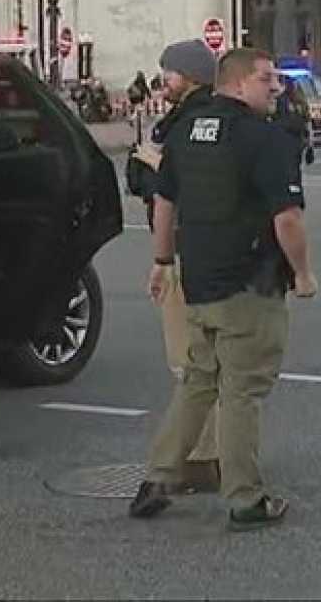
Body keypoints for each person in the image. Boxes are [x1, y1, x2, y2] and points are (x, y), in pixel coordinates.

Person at [130, 48, 318, 532]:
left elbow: (164, 198)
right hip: (249, 283)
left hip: (200, 280)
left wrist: (161, 259)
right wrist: (302, 273)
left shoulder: (187, 130)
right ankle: (245, 498)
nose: (275, 86)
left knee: (198, 381)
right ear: (235, 84)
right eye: (265, 78)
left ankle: (158, 477)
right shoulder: (264, 137)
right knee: (242, 391)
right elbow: (288, 218)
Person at [129, 40, 223, 489]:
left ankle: (202, 457)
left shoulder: (184, 124)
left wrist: (148, 165)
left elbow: (159, 182)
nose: (162, 80)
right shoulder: (202, 117)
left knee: (188, 357)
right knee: (203, 358)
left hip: (184, 249)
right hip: (203, 248)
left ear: (190, 76)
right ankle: (212, 453)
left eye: (169, 72)